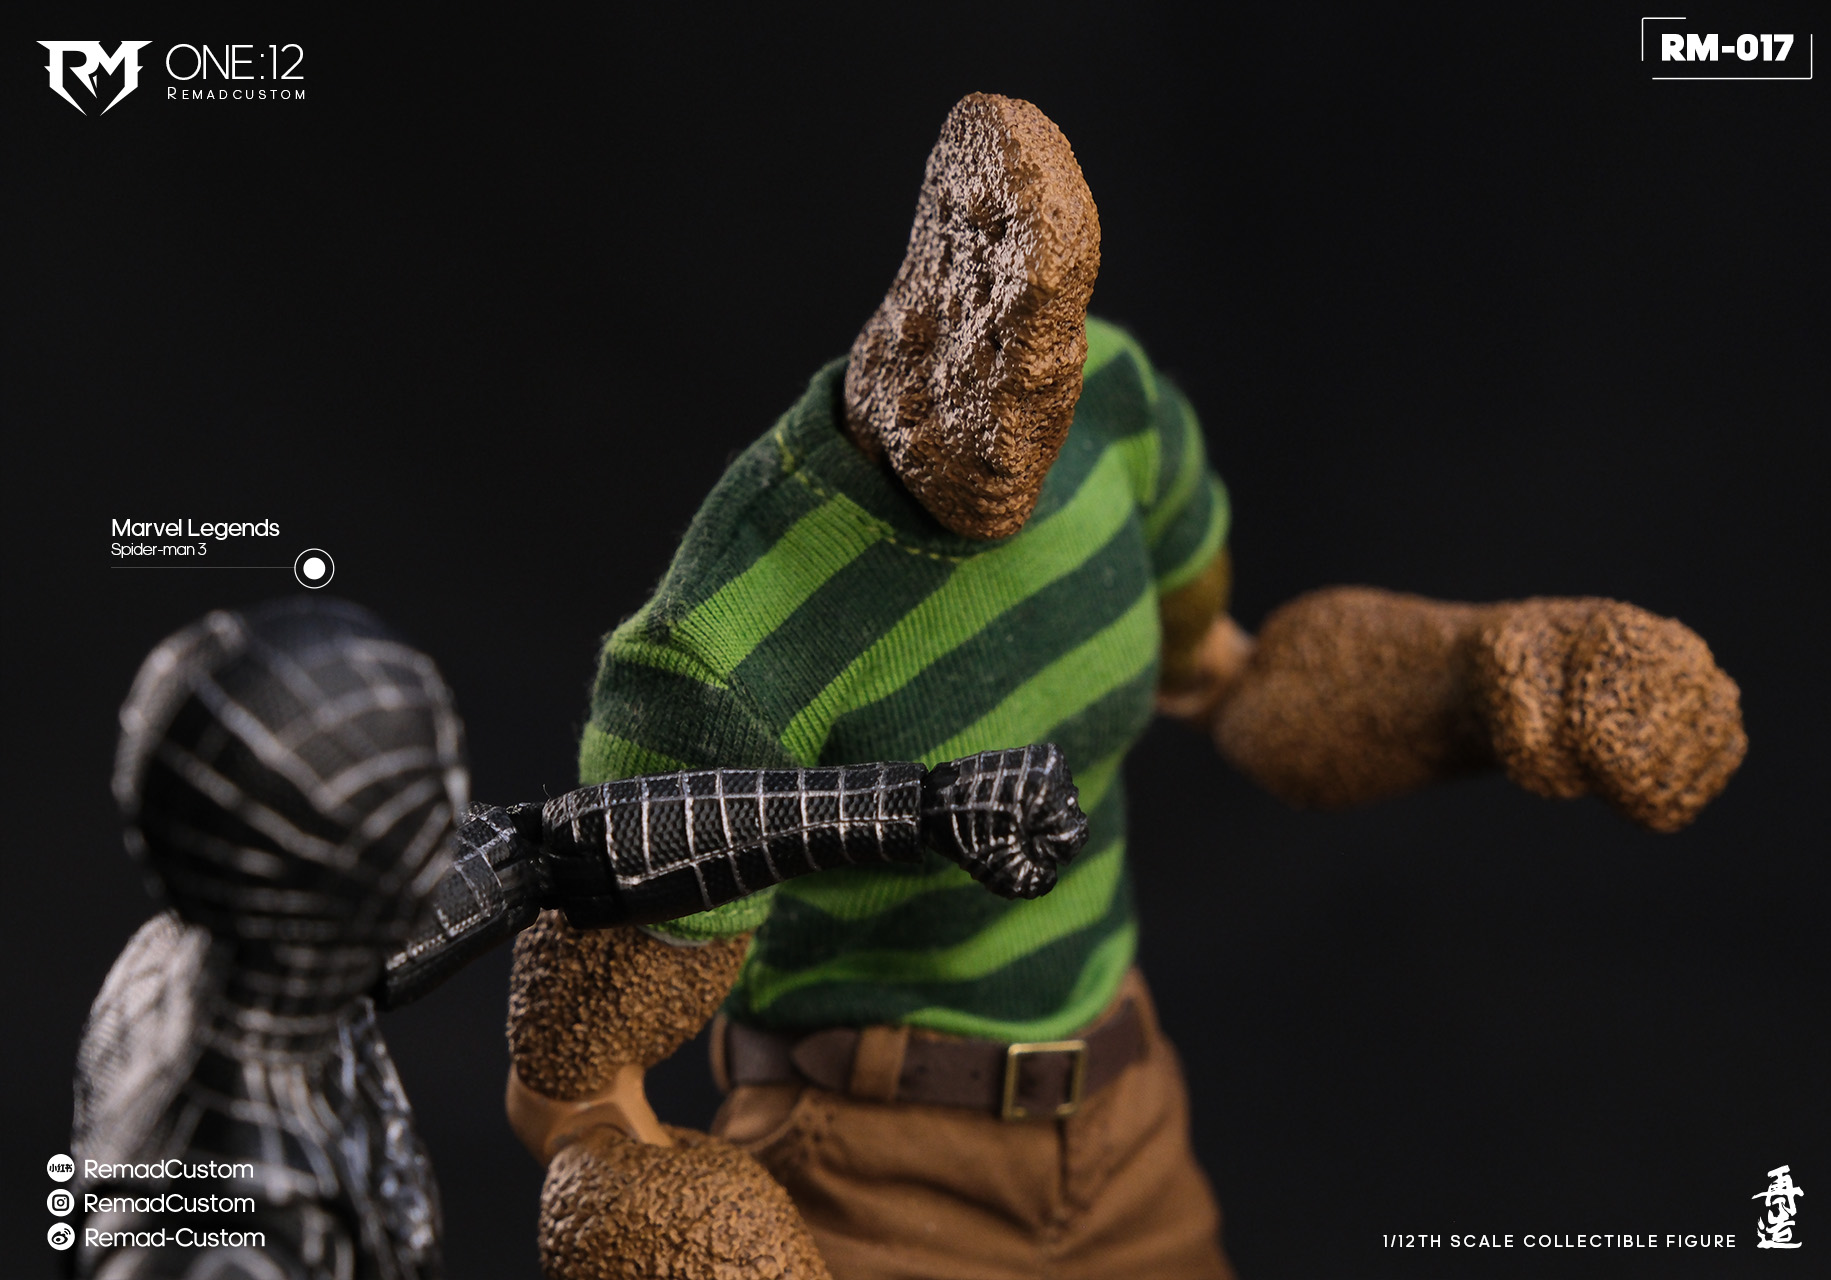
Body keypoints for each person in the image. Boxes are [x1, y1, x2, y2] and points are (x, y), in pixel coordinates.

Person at [507, 93, 1745, 1280]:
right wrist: (665, 1216)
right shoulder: (726, 642)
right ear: (919, 309)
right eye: (985, 364)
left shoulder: (1119, 410)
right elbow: (573, 1085)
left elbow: (1236, 683)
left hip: (1123, 1123)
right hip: (872, 1169)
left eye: (1045, 376)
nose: (1016, 433)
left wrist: (1490, 677)